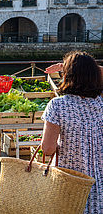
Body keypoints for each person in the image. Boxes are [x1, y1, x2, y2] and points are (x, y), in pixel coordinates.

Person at [41, 51, 102, 213]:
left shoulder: (58, 105)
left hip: (69, 181)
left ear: (67, 76)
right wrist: (84, 68)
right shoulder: (100, 104)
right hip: (98, 183)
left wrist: (68, 67)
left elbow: (47, 149)